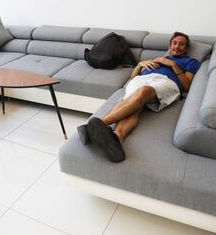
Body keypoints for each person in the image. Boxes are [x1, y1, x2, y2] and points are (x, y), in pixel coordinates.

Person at [78, 32, 201, 162]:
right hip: (142, 78)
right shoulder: (157, 58)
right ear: (170, 46)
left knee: (143, 91)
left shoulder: (190, 62)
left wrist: (172, 65)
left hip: (166, 82)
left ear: (186, 49)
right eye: (174, 43)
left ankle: (99, 125)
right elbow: (133, 78)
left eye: (181, 44)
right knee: (134, 104)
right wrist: (139, 65)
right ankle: (117, 139)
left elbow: (186, 85)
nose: (177, 46)